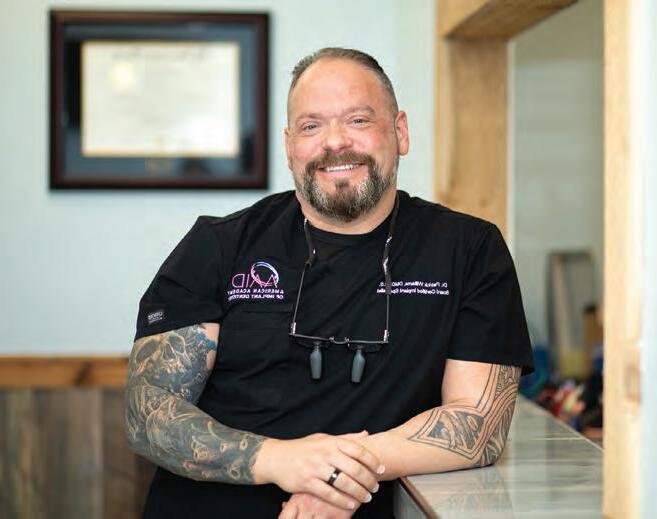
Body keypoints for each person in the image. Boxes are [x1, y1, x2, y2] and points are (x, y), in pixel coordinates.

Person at [125, 47, 534, 518]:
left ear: (400, 131)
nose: (335, 142)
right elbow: (147, 413)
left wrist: (331, 474)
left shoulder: (469, 250)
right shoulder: (217, 245)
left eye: (358, 120)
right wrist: (279, 461)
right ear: (289, 146)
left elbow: (479, 424)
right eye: (311, 126)